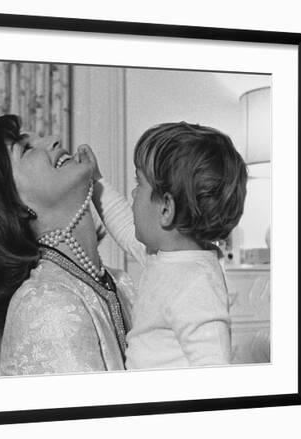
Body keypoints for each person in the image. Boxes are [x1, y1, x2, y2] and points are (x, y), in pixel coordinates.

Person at [0, 114, 136, 376]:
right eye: (26, 148)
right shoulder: (44, 305)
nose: (54, 140)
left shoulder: (120, 284)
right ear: (11, 205)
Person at [89, 122, 247, 370]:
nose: (133, 193)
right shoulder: (165, 254)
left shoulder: (196, 282)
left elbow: (213, 365)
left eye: (138, 183)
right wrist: (95, 181)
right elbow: (125, 227)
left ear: (165, 208)